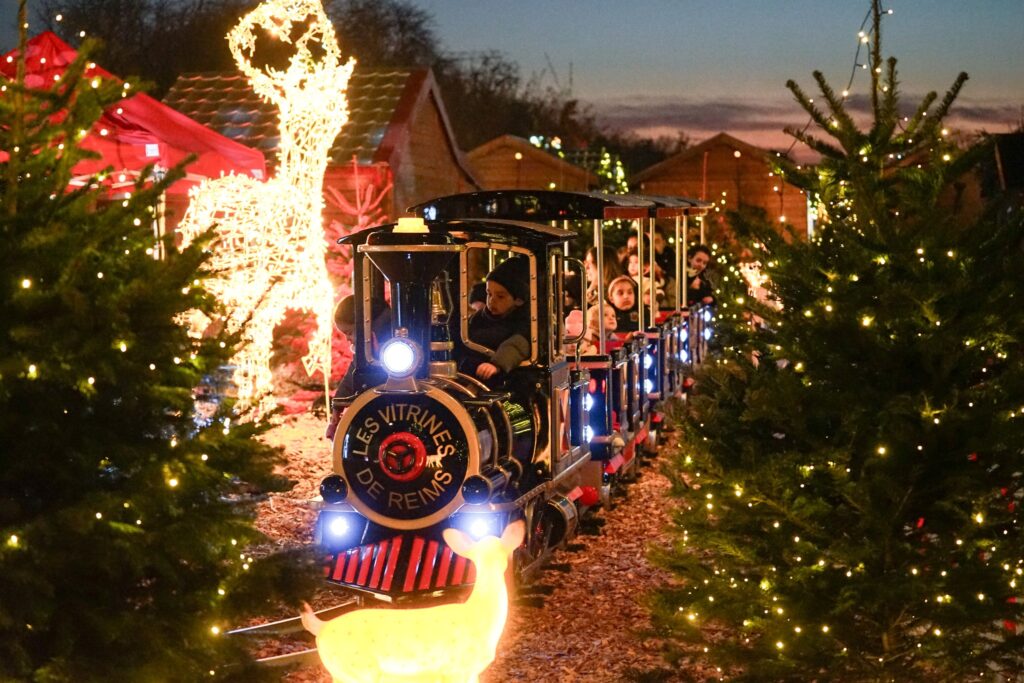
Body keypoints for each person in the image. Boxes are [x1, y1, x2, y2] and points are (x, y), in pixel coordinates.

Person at [463, 256, 531, 382]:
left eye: (500, 296)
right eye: (489, 294)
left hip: (506, 379)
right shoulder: (478, 318)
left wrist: (497, 364)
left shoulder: (523, 322)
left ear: (519, 300)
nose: (492, 300)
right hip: (471, 372)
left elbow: (518, 345)